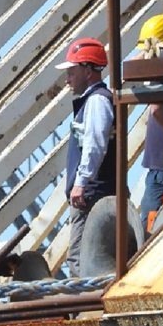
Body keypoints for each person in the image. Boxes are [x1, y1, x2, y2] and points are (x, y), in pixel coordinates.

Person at [56, 37, 116, 277]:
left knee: (80, 259)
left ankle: (85, 310)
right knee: (84, 259)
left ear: (89, 72)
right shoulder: (94, 100)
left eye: (72, 71)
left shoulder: (97, 101)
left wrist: (81, 183)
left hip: (91, 195)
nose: (67, 79)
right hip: (92, 193)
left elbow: (95, 145)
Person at [135, 15, 163, 234]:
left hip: (161, 164)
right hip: (162, 161)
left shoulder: (161, 65)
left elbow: (156, 110)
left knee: (150, 228)